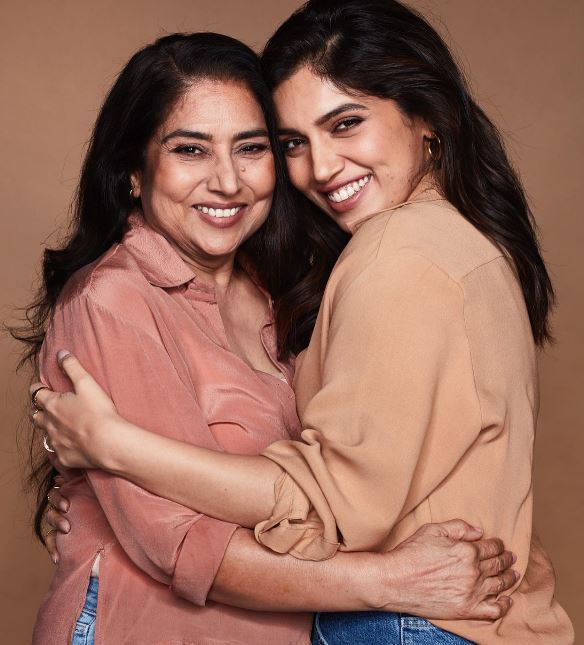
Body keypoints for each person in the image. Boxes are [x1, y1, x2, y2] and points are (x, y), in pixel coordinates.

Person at [16, 28, 519, 645]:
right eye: (191, 151)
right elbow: (185, 547)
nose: (228, 181)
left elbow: (344, 474)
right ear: (133, 174)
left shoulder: (284, 285)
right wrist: (392, 580)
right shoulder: (112, 301)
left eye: (251, 148)